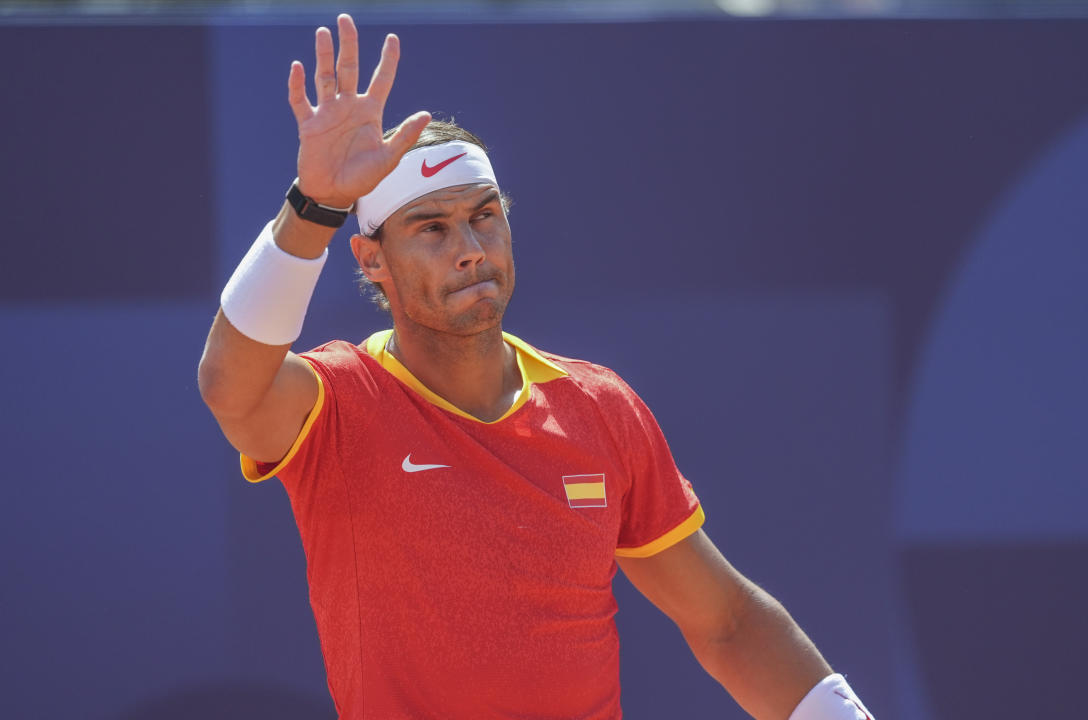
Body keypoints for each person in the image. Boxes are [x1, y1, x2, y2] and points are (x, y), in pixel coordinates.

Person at [198, 13, 875, 720]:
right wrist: (315, 207)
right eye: (432, 228)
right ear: (373, 261)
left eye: (484, 216)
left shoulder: (598, 407)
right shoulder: (337, 402)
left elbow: (727, 622)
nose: (469, 248)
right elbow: (229, 389)